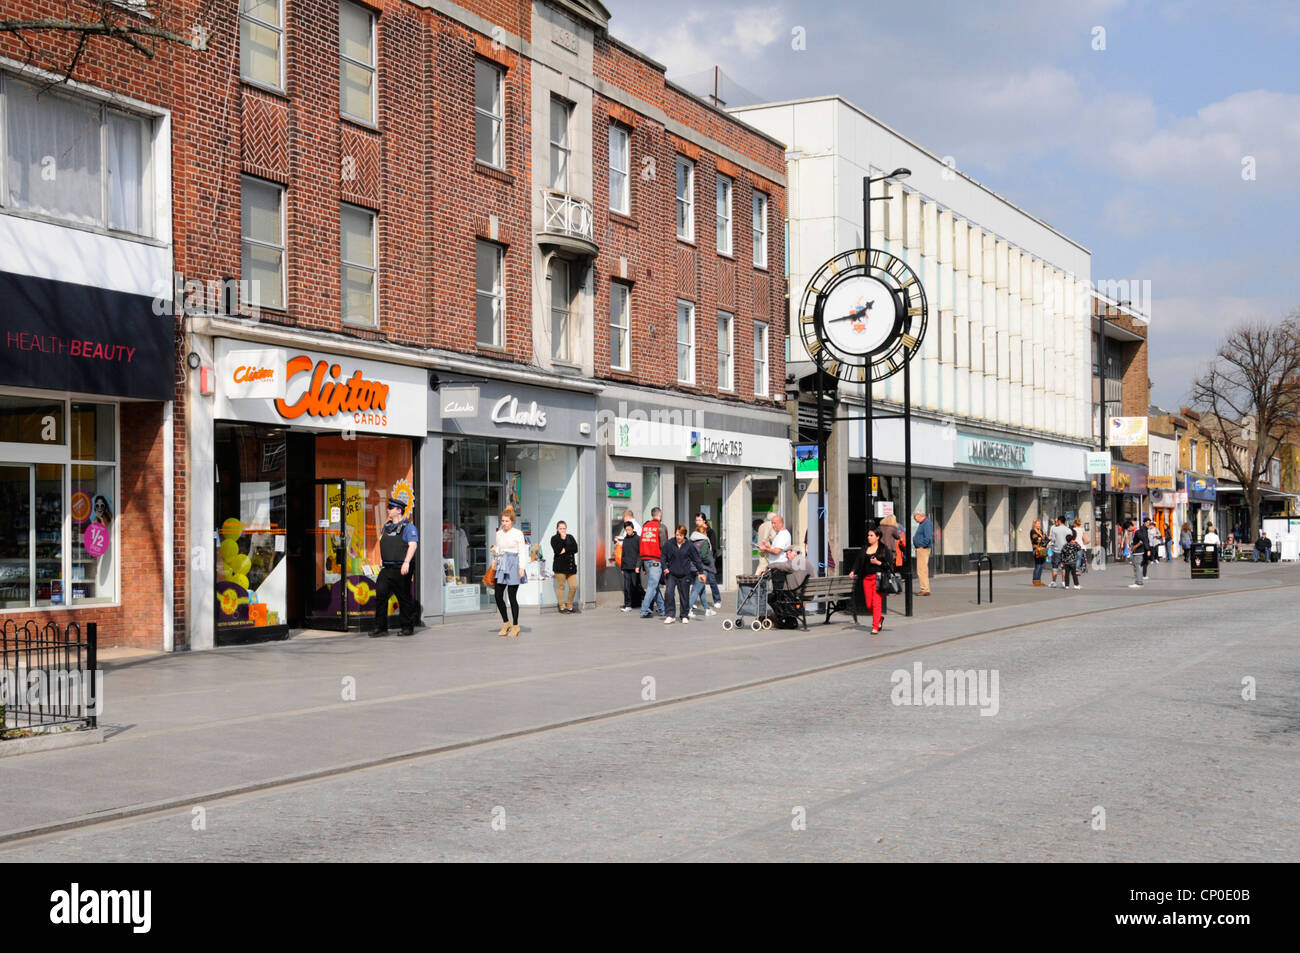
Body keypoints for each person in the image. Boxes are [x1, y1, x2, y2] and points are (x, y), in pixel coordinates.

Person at [373, 497, 419, 637]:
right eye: (388, 507)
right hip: (387, 568)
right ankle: (381, 628)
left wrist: (406, 562)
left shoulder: (408, 527)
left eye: (390, 508)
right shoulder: (386, 527)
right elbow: (384, 543)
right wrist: (381, 559)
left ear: (399, 510)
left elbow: (413, 545)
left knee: (403, 597)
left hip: (401, 567)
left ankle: (407, 627)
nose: (388, 510)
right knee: (380, 596)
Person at [490, 506, 526, 637]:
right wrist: (494, 558)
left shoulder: (518, 533)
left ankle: (515, 625)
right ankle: (506, 623)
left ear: (512, 521)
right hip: (501, 564)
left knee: (512, 597)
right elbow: (499, 548)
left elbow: (522, 551)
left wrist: (522, 567)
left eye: (506, 521)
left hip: (513, 565)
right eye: (503, 521)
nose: (504, 523)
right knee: (498, 595)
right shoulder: (499, 533)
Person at [661, 525, 705, 625]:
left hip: (685, 574)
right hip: (671, 573)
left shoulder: (689, 545)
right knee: (669, 593)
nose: (678, 537)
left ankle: (684, 615)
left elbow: (696, 559)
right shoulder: (669, 543)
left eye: (680, 535)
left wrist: (701, 572)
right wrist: (665, 568)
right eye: (677, 535)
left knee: (684, 596)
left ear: (684, 535)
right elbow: (663, 556)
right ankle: (670, 615)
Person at [849, 527, 889, 635]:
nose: (869, 537)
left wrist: (878, 562)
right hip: (866, 579)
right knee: (868, 605)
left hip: (878, 579)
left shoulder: (883, 549)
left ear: (878, 537)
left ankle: (875, 626)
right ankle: (879, 618)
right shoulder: (865, 548)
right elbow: (858, 561)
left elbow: (889, 565)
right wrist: (853, 571)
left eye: (871, 535)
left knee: (876, 603)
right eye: (868, 535)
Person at [689, 514, 720, 617]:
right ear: (704, 533)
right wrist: (708, 562)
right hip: (703, 569)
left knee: (701, 589)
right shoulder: (704, 542)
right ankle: (687, 610)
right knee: (697, 589)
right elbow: (704, 556)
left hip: (693, 568)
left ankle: (707, 609)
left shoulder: (692, 541)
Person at [638, 507, 667, 618]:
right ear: (660, 514)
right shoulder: (661, 527)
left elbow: (641, 545)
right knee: (652, 586)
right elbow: (664, 546)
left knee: (654, 586)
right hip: (656, 560)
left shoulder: (645, 527)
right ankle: (644, 610)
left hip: (646, 559)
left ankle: (662, 609)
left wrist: (643, 565)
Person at [761, 513, 796, 590]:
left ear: (781, 523)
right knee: (776, 589)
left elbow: (777, 551)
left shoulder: (783, 535)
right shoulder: (779, 534)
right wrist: (768, 547)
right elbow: (777, 549)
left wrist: (766, 549)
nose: (773, 525)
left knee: (778, 590)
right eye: (772, 523)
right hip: (776, 565)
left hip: (779, 567)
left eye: (775, 523)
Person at [550, 520, 579, 612]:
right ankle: (562, 606)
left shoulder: (570, 537)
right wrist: (563, 540)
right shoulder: (554, 538)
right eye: (560, 528)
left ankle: (569, 605)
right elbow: (558, 550)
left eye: (564, 528)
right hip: (560, 567)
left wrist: (565, 549)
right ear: (557, 529)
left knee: (574, 586)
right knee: (561, 586)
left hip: (571, 567)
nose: (562, 530)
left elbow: (575, 548)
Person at [619, 522, 642, 611]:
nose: (628, 531)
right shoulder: (625, 539)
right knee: (627, 587)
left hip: (634, 567)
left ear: (633, 529)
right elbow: (623, 554)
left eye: (629, 529)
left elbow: (640, 554)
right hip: (626, 567)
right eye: (626, 530)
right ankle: (628, 605)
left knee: (636, 585)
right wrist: (622, 567)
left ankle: (646, 600)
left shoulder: (638, 539)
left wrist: (638, 566)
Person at [912, 511, 933, 596]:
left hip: (923, 549)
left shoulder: (926, 523)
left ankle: (924, 589)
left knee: (921, 569)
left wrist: (921, 546)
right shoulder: (923, 523)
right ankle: (925, 588)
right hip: (922, 549)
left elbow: (928, 537)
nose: (914, 519)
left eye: (914, 517)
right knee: (923, 569)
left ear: (919, 515)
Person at [1047, 516, 1070, 588]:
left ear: (1060, 521)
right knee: (1064, 568)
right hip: (1065, 551)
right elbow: (1070, 540)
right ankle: (1063, 582)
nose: (1056, 522)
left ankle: (1053, 582)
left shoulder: (1055, 529)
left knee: (1055, 567)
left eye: (1057, 521)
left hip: (1056, 550)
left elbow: (1053, 540)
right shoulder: (1069, 530)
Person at [1126, 518, 1147, 588]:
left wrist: (1135, 546)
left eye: (1128, 528)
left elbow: (1142, 540)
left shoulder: (1137, 532)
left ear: (1130, 526)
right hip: (1136, 552)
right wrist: (1132, 546)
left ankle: (1139, 582)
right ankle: (1137, 581)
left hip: (1139, 552)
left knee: (1138, 567)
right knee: (1136, 567)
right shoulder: (1135, 532)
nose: (1128, 530)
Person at [1030, 518, 1048, 587]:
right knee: (1038, 565)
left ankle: (1039, 580)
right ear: (1034, 524)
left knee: (1041, 565)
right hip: (1036, 550)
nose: (1039, 525)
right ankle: (1035, 580)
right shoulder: (1033, 531)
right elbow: (1036, 540)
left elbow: (1046, 539)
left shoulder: (1041, 531)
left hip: (1042, 550)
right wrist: (1042, 538)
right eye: (1037, 523)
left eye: (1040, 524)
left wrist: (1044, 538)